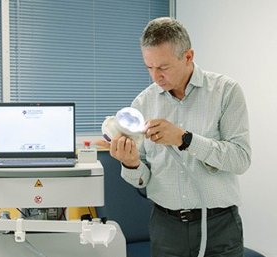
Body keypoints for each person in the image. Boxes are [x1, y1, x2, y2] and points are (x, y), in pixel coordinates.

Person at [97, 17, 251, 257]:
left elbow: (240, 159)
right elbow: (144, 178)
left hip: (218, 226)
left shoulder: (226, 92)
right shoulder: (144, 102)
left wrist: (185, 139)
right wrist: (131, 163)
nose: (155, 77)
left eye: (163, 67)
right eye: (149, 67)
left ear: (188, 57)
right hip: (166, 227)